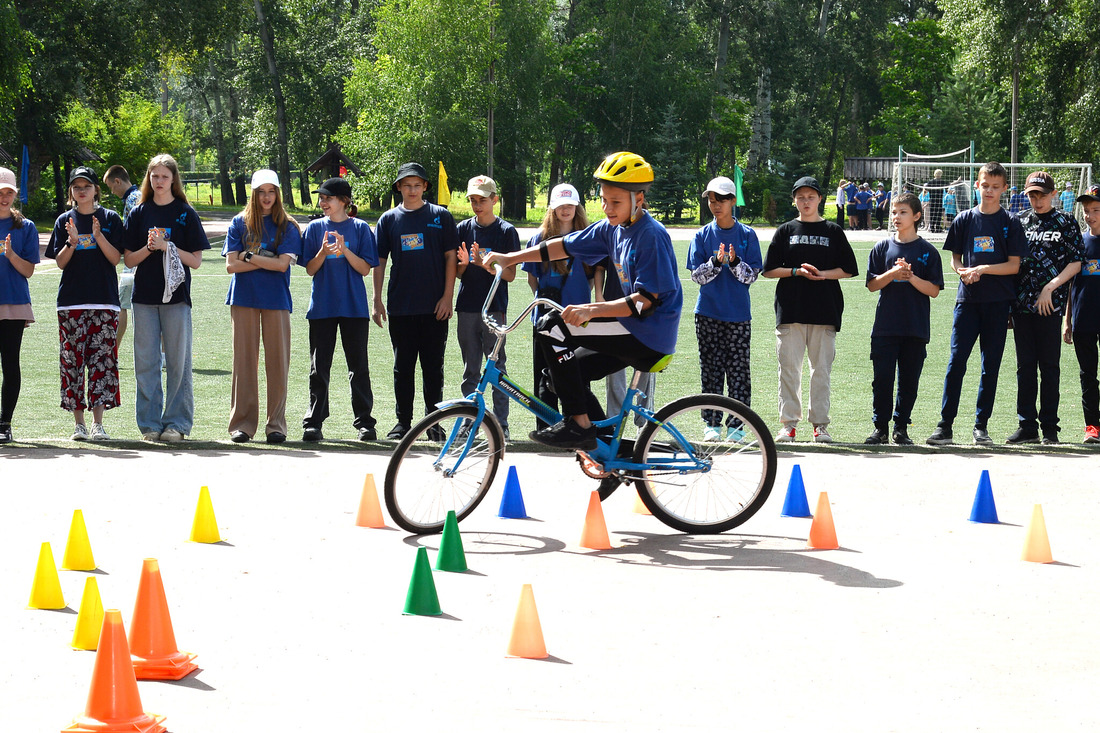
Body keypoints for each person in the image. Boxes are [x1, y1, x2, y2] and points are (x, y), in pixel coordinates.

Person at [483, 151, 683, 450]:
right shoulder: (611, 229)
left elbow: (645, 302)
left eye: (615, 201)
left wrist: (592, 309)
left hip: (648, 334)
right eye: (603, 199)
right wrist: (511, 257)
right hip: (631, 329)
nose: (607, 207)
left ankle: (580, 425)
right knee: (558, 377)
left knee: (551, 326)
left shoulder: (650, 235)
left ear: (638, 198)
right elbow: (561, 246)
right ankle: (605, 447)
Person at [927, 162, 1025, 446]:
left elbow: (1014, 266)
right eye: (985, 185)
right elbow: (955, 259)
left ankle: (980, 426)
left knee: (989, 366)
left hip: (997, 304)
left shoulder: (1011, 222)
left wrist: (982, 269)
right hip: (967, 302)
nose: (990, 191)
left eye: (995, 187)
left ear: (1004, 188)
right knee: (956, 362)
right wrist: (963, 272)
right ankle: (945, 426)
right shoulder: (964, 219)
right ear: (977, 185)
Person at [761, 176, 858, 443]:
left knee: (821, 372)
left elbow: (849, 269)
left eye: (811, 197)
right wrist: (796, 272)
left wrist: (822, 274)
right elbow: (768, 270)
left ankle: (820, 426)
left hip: (825, 310)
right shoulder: (785, 230)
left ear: (819, 200)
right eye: (801, 197)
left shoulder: (833, 231)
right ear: (795, 200)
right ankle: (788, 425)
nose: (806, 201)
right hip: (791, 310)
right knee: (789, 370)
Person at [123, 154, 210, 442]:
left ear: (174, 179)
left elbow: (196, 261)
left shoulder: (185, 212)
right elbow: (129, 260)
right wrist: (150, 248)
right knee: (146, 363)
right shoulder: (138, 212)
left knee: (177, 363)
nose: (159, 181)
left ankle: (177, 424)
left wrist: (167, 246)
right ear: (148, 179)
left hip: (176, 300)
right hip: (144, 299)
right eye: (154, 176)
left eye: (164, 176)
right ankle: (149, 424)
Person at [372, 162, 458, 440]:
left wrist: (447, 296)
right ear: (399, 187)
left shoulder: (440, 216)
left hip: (435, 307)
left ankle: (434, 422)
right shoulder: (388, 220)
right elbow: (380, 262)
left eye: (417, 185)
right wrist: (376, 299)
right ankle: (403, 422)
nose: (412, 190)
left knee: (433, 368)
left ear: (425, 187)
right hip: (401, 306)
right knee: (403, 367)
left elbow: (450, 258)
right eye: (406, 185)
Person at [223, 170, 304, 444]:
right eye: (261, 192)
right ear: (253, 194)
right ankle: (242, 425)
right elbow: (230, 265)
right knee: (244, 363)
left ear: (278, 194)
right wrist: (260, 258)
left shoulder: (288, 226)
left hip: (276, 300)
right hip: (243, 298)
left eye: (271, 191)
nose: (266, 197)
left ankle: (276, 425)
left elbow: (282, 265)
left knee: (278, 363)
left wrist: (248, 255)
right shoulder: (239, 223)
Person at [44, 168, 124, 441]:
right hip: (71, 303)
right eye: (76, 187)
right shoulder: (64, 220)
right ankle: (79, 424)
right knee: (72, 364)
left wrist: (98, 236)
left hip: (104, 302)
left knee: (102, 363)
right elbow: (60, 262)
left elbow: (116, 259)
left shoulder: (110, 218)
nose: (81, 191)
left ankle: (97, 424)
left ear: (95, 190)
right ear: (71, 192)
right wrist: (73, 241)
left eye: (86, 186)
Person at [1006, 171, 1085, 444]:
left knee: (1049, 367)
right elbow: (1010, 263)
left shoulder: (1066, 222)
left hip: (1051, 306)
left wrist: (1050, 288)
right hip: (1021, 306)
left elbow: (1076, 262)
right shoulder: (1018, 221)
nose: (1036, 200)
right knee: (1024, 366)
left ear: (1052, 193)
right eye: (1032, 195)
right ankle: (1027, 425)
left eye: (1041, 194)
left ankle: (1050, 428)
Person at [300, 177, 378, 442]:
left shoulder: (360, 228)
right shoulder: (313, 229)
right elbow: (311, 269)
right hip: (322, 307)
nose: (323, 202)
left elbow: (365, 269)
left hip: (354, 308)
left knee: (358, 367)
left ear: (344, 201)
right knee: (318, 367)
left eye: (328, 198)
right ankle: (314, 422)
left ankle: (365, 423)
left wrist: (345, 250)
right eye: (321, 198)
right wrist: (322, 252)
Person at [863, 192, 943, 445]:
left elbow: (934, 290)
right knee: (883, 380)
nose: (896, 217)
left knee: (909, 382)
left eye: (903, 212)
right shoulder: (882, 247)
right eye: (894, 212)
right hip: (885, 328)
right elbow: (873, 285)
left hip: (915, 328)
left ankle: (901, 427)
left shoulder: (928, 251)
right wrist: (893, 273)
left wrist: (910, 276)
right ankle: (880, 428)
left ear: (917, 216)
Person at [686, 176, 761, 441]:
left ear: (732, 201)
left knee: (739, 370)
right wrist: (715, 263)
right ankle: (712, 424)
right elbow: (696, 276)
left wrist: (734, 261)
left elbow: (751, 276)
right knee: (711, 369)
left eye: (721, 200)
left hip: (738, 315)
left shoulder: (747, 235)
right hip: (707, 313)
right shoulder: (702, 235)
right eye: (711, 200)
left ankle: (738, 426)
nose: (715, 205)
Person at [454, 175, 520, 440]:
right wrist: (463, 264)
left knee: (496, 368)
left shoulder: (506, 231)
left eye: (482, 200)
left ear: (495, 200)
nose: (477, 205)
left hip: (494, 308)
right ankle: (470, 422)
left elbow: (511, 275)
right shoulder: (463, 229)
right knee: (470, 368)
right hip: (467, 306)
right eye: (472, 200)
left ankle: (501, 423)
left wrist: (483, 263)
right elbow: (459, 272)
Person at [522, 184, 592, 430]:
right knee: (544, 375)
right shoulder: (538, 238)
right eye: (561, 205)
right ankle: (547, 427)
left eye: (570, 204)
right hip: (545, 318)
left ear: (577, 206)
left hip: (578, 317)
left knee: (578, 373)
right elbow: (532, 278)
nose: (566, 209)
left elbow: (594, 274)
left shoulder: (587, 236)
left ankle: (578, 427)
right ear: (552, 208)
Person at [0, 167, 39, 444]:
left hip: (13, 303)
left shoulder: (26, 227)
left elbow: (28, 271)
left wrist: (11, 254)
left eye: (8, 192)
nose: (4, 197)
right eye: (0, 192)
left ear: (16, 194)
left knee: (10, 364)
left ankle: (5, 423)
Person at [1064, 184, 1100, 443]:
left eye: (1096, 210)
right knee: (1087, 375)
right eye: (1087, 210)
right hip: (1083, 320)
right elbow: (1070, 285)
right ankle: (1093, 428)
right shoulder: (1078, 243)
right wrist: (1067, 321)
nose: (1090, 215)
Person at [104, 165, 141, 341]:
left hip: (134, 261)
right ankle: (163, 353)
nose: (112, 192)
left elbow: (136, 230)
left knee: (122, 304)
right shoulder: (138, 196)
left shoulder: (133, 199)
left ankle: (114, 349)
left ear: (117, 181)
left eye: (111, 186)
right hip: (138, 258)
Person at [924, 169, 946, 234]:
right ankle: (938, 228)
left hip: (933, 201)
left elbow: (926, 189)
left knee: (933, 214)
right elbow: (950, 184)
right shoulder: (941, 182)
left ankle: (932, 228)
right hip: (939, 200)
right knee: (938, 214)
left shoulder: (931, 182)